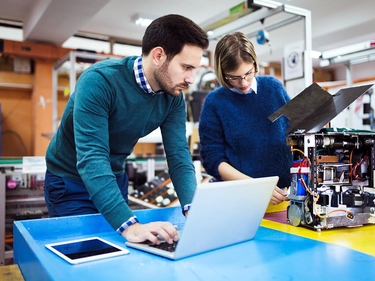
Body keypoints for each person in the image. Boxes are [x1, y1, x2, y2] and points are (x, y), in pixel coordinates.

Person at [44, 14, 209, 245]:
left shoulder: (172, 97)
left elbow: (179, 156)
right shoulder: (100, 82)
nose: (191, 78)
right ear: (158, 55)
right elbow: (92, 158)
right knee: (84, 255)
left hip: (113, 179)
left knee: (121, 249)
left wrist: (193, 210)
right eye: (186, 67)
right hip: (70, 181)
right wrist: (130, 227)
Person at [198, 32, 291, 205]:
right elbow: (212, 159)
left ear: (255, 63)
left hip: (284, 197)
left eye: (248, 73)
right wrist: (256, 187)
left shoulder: (273, 88)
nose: (243, 82)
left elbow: (297, 132)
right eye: (234, 77)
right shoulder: (215, 102)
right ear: (222, 72)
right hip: (241, 199)